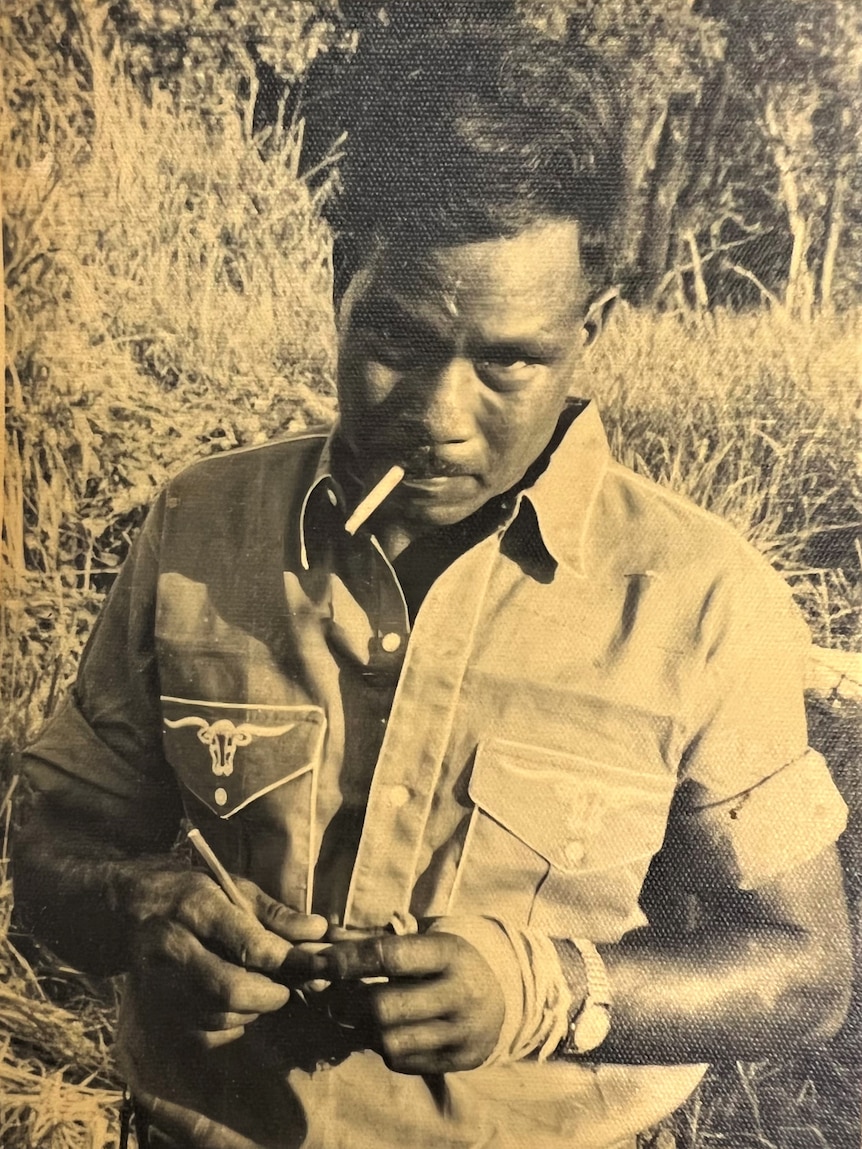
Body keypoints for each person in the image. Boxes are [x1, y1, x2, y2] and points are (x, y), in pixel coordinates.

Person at [13, 16, 852, 1149]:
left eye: (509, 361)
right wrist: (134, 905)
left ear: (588, 328)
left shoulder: (702, 600)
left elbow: (804, 974)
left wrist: (547, 991)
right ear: (336, 281)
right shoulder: (198, 527)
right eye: (396, 340)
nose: (439, 419)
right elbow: (51, 854)